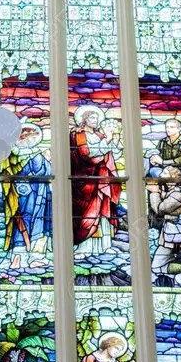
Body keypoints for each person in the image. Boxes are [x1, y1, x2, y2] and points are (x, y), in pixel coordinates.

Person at [0, 123, 52, 272]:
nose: (31, 141)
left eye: (34, 137)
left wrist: (47, 161)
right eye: (27, 137)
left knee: (39, 225)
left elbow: (46, 172)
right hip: (26, 196)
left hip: (40, 195)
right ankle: (20, 257)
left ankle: (34, 257)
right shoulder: (15, 155)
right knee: (25, 223)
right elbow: (26, 173)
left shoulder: (35, 154)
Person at [70, 105, 121, 255]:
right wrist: (107, 141)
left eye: (97, 118)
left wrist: (114, 140)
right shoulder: (78, 134)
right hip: (86, 179)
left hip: (102, 179)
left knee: (103, 210)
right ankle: (85, 247)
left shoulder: (100, 135)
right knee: (89, 212)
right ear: (84, 120)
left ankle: (104, 246)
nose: (95, 120)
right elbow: (86, 154)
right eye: (92, 117)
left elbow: (113, 155)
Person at [147, 166, 181, 282]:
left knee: (156, 267)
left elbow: (159, 209)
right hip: (172, 231)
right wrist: (159, 192)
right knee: (168, 260)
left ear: (173, 178)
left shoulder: (178, 194)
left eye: (165, 173)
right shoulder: (174, 192)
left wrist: (154, 193)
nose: (161, 174)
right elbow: (167, 197)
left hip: (176, 233)